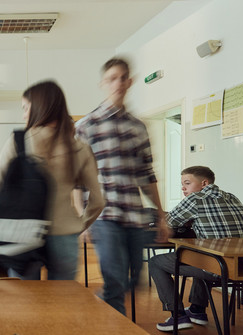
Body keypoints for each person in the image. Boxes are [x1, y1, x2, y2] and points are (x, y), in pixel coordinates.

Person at [0, 80, 105, 280]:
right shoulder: (80, 149)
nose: (23, 115)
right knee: (62, 302)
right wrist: (79, 224)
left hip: (22, 235)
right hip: (64, 234)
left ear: (39, 107)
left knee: (23, 303)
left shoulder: (19, 141)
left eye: (25, 108)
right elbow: (98, 200)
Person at [75, 57, 169, 314]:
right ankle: (116, 321)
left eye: (122, 78)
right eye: (111, 78)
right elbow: (77, 178)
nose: (117, 83)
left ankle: (104, 298)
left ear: (130, 81)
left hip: (134, 215)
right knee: (115, 277)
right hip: (103, 215)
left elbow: (148, 174)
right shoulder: (86, 126)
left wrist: (161, 216)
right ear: (103, 83)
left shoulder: (138, 127)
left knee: (135, 278)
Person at [150, 166, 243, 331]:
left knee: (156, 262)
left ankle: (177, 316)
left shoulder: (195, 199)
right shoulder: (231, 197)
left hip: (221, 267)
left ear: (204, 183)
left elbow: (168, 223)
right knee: (200, 253)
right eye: (182, 184)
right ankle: (197, 310)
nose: (183, 188)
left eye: (187, 183)